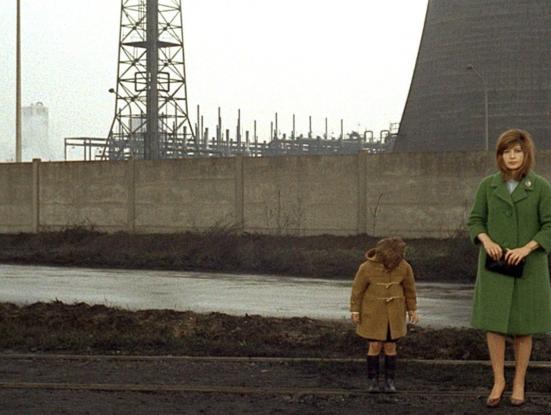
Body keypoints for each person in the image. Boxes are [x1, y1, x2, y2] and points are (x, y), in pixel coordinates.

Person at [467, 129, 551, 408]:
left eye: (517, 151)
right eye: (506, 151)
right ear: (499, 156)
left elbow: (549, 225)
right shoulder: (487, 186)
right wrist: (487, 240)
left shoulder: (541, 187)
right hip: (495, 267)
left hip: (529, 268)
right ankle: (499, 380)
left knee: (523, 328)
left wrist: (527, 248)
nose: (512, 156)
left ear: (527, 155)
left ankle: (519, 383)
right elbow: (475, 221)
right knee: (494, 327)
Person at [349, 237, 418, 393]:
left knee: (390, 346)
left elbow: (410, 289)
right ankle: (373, 382)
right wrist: (355, 310)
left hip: (395, 314)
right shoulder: (366, 267)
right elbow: (357, 290)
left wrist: (412, 309)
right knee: (374, 345)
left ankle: (389, 382)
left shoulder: (404, 267)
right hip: (373, 313)